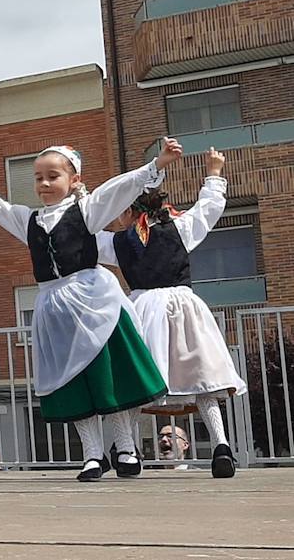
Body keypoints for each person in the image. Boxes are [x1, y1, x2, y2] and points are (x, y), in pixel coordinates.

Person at [0, 140, 181, 482]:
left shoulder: (86, 211)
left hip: (94, 303)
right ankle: (92, 454)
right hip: (55, 310)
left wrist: (156, 165)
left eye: (52, 176)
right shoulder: (28, 220)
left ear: (74, 180)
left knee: (110, 377)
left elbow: (117, 189)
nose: (44, 184)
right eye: (38, 178)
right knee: (72, 380)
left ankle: (126, 448)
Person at [95, 148, 245, 479]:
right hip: (184, 306)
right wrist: (214, 172)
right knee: (203, 378)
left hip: (144, 309)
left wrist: (80, 198)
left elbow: (85, 237)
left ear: (129, 211)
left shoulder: (118, 243)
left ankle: (125, 450)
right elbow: (209, 208)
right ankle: (221, 447)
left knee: (139, 381)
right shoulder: (180, 227)